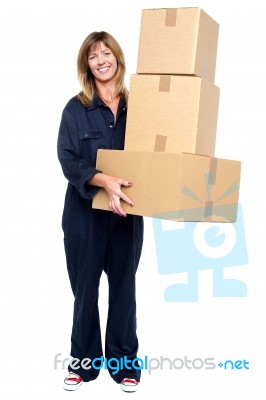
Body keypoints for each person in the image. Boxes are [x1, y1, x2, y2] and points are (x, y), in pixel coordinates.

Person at [57, 31, 144, 393]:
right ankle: (84, 362)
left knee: (124, 290)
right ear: (86, 65)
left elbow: (156, 154)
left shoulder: (138, 106)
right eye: (93, 56)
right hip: (84, 216)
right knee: (85, 290)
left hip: (127, 213)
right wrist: (101, 179)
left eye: (106, 53)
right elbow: (67, 157)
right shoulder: (76, 108)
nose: (101, 60)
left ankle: (124, 365)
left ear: (117, 58)